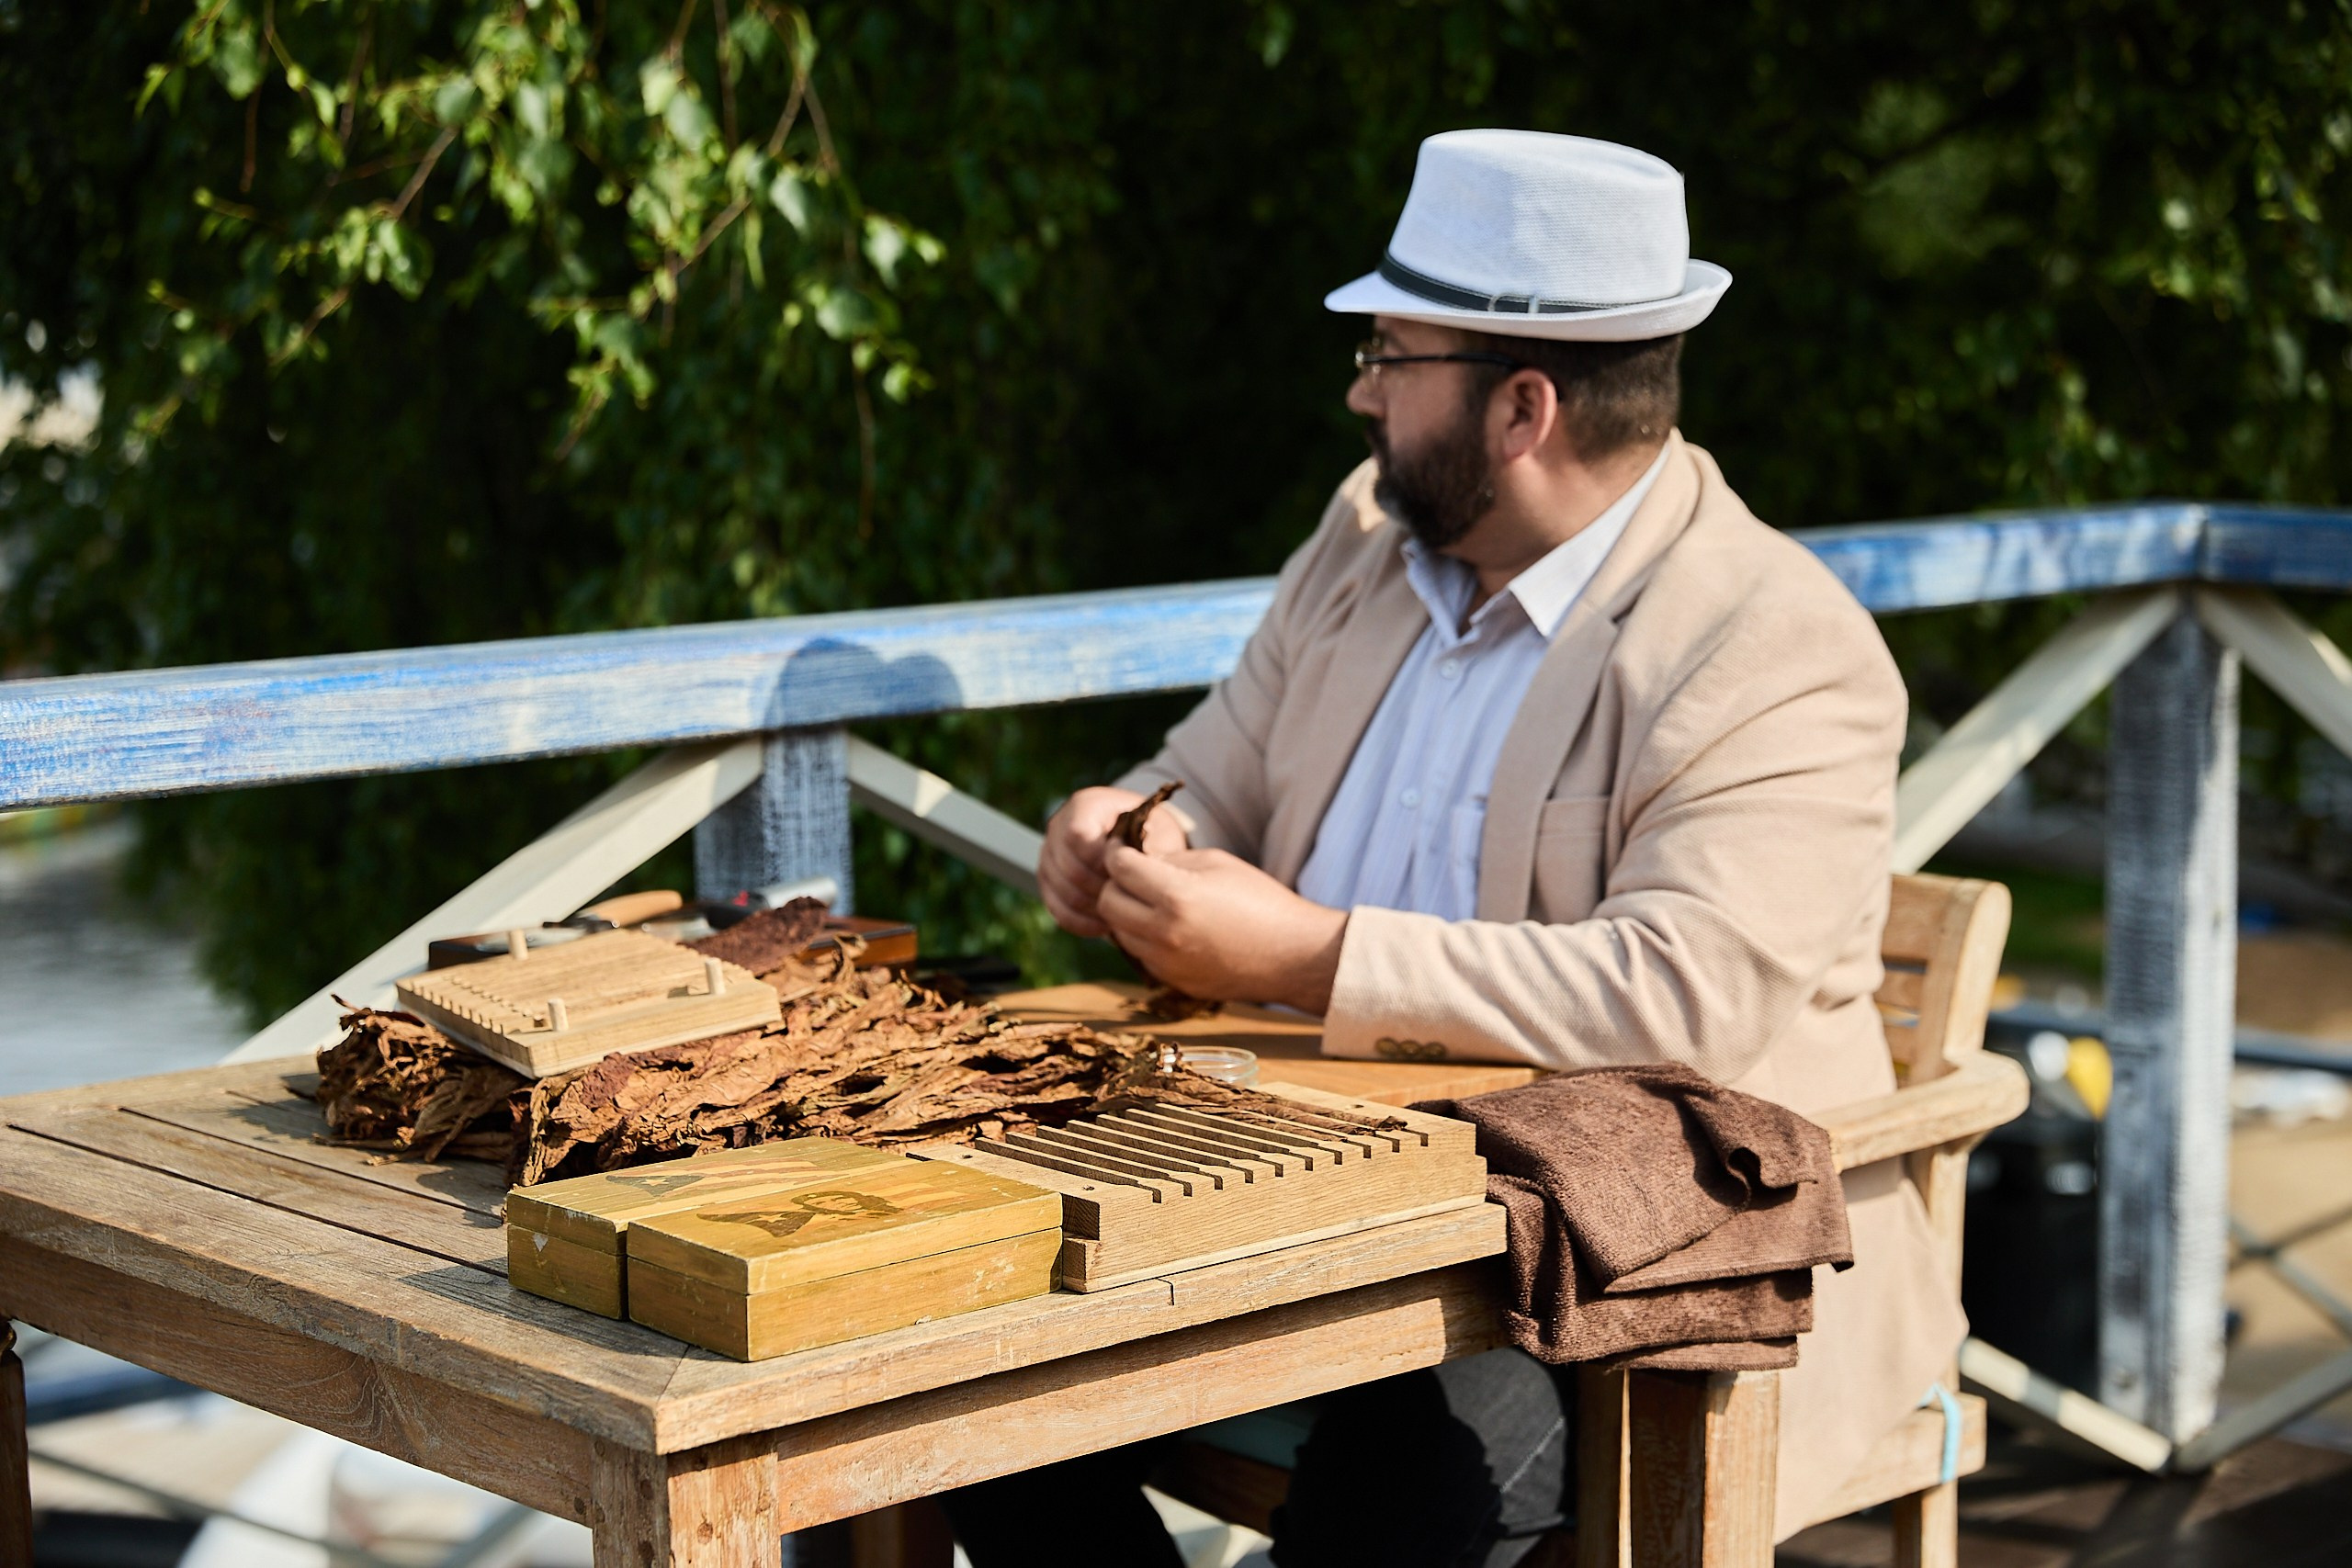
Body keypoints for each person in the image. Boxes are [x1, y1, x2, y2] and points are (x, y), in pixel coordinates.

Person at [944, 129, 1962, 1567]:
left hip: (1612, 1250)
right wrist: (1124, 824)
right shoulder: (1367, 538)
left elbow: (1684, 1005)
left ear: (1520, 408)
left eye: (1387, 354)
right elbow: (1211, 770)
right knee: (932, 1352)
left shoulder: (1774, 643)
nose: (1359, 391)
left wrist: (1302, 957)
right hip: (1290, 1175)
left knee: (1410, 1487)